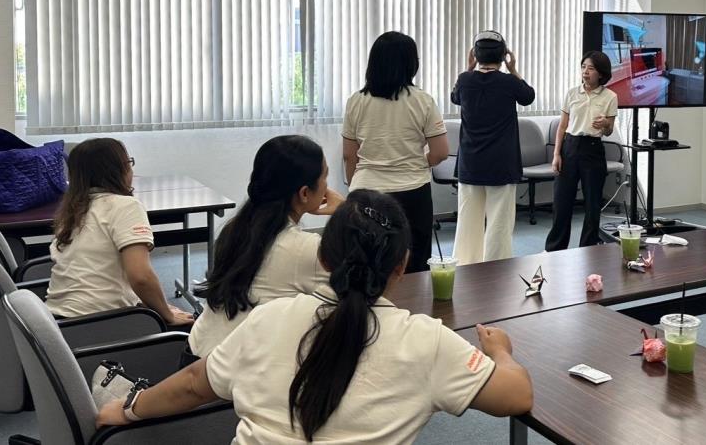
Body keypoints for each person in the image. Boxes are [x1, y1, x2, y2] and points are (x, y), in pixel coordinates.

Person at [97, 190, 534, 443]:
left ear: (323, 257)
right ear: (402, 267)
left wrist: (129, 409)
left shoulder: (270, 317)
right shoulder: (425, 341)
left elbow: (195, 383)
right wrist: (501, 352)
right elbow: (515, 397)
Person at [189, 135, 344, 357]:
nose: (327, 186)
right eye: (325, 177)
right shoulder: (304, 249)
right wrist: (345, 212)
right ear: (304, 193)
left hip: (198, 353)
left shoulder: (234, 229)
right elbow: (363, 280)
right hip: (236, 369)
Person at [44, 138, 193, 326]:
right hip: (101, 322)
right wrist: (167, 315)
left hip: (59, 322)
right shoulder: (125, 206)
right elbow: (141, 278)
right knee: (189, 331)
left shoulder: (72, 211)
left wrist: (157, 305)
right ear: (119, 170)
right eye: (128, 163)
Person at [343, 31, 449, 273]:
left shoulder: (356, 101)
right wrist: (420, 162)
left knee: (366, 262)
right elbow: (441, 152)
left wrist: (355, 186)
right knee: (413, 263)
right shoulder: (422, 100)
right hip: (412, 192)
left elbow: (349, 155)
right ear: (411, 64)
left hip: (365, 191)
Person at [450, 31, 536, 264]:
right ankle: (496, 270)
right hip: (501, 163)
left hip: (471, 163)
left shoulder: (465, 80)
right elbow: (528, 96)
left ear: (475, 55)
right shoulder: (509, 82)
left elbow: (455, 97)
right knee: (499, 222)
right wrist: (513, 69)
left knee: (468, 221)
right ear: (503, 55)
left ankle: (465, 265)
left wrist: (468, 68)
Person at [545, 51, 618, 251]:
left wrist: (605, 124)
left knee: (593, 204)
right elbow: (562, 126)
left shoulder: (610, 96)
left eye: (591, 68)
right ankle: (555, 248)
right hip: (570, 146)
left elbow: (609, 130)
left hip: (593, 149)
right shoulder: (572, 93)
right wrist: (556, 154)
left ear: (601, 73)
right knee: (561, 202)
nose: (585, 71)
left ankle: (588, 248)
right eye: (583, 67)